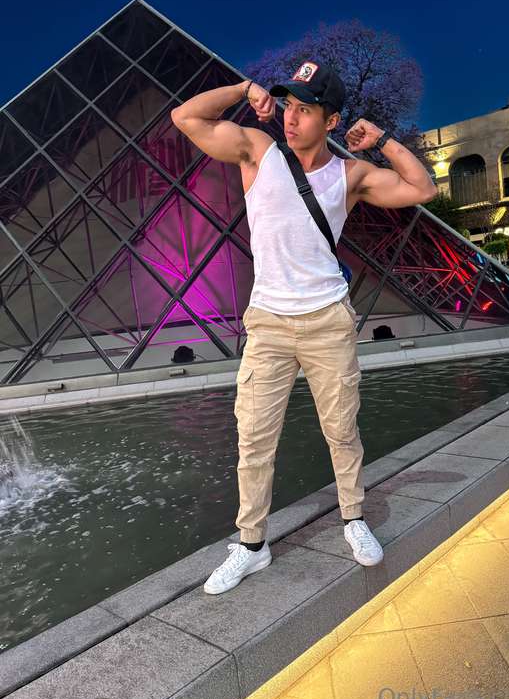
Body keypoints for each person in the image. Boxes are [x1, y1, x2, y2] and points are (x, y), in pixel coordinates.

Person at [171, 61, 437, 594]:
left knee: (341, 430)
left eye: (305, 110)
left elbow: (422, 189)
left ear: (331, 120)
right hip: (268, 323)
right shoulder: (258, 151)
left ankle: (353, 518)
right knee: (253, 438)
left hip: (327, 321)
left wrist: (381, 140)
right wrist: (243, 89)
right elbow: (186, 118)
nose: (290, 119)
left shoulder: (349, 175)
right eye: (288, 106)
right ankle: (251, 545)